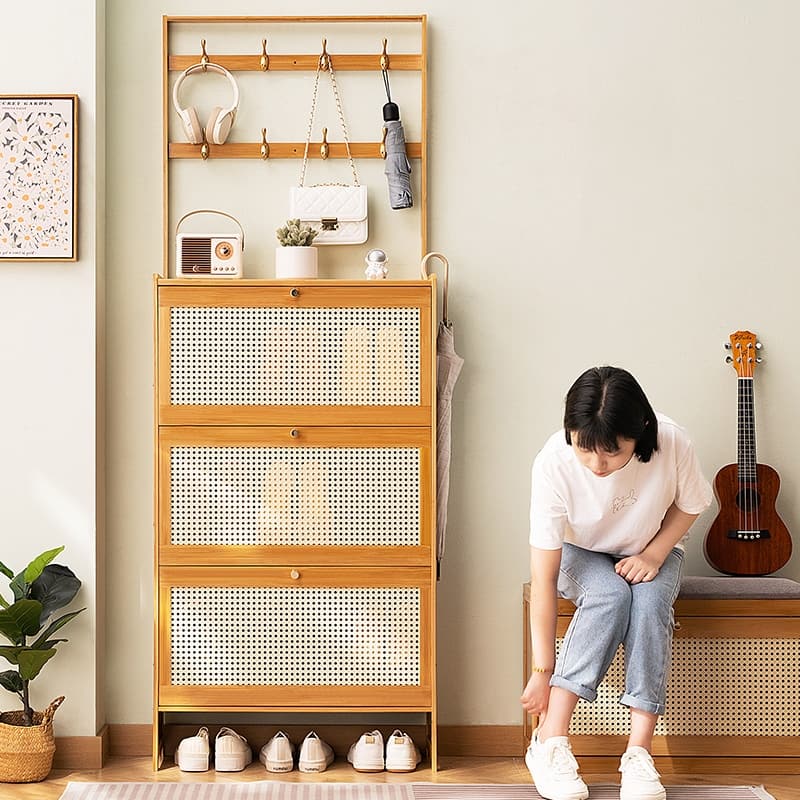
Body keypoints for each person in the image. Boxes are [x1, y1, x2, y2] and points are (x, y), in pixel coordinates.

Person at [520, 366, 712, 800]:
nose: (596, 464)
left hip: (652, 547)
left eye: (611, 452)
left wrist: (654, 554)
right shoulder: (553, 461)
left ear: (640, 430)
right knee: (608, 595)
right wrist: (541, 670)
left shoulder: (672, 441)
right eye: (584, 449)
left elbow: (693, 503)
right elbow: (544, 577)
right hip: (581, 553)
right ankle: (550, 741)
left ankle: (639, 754)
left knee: (649, 604)